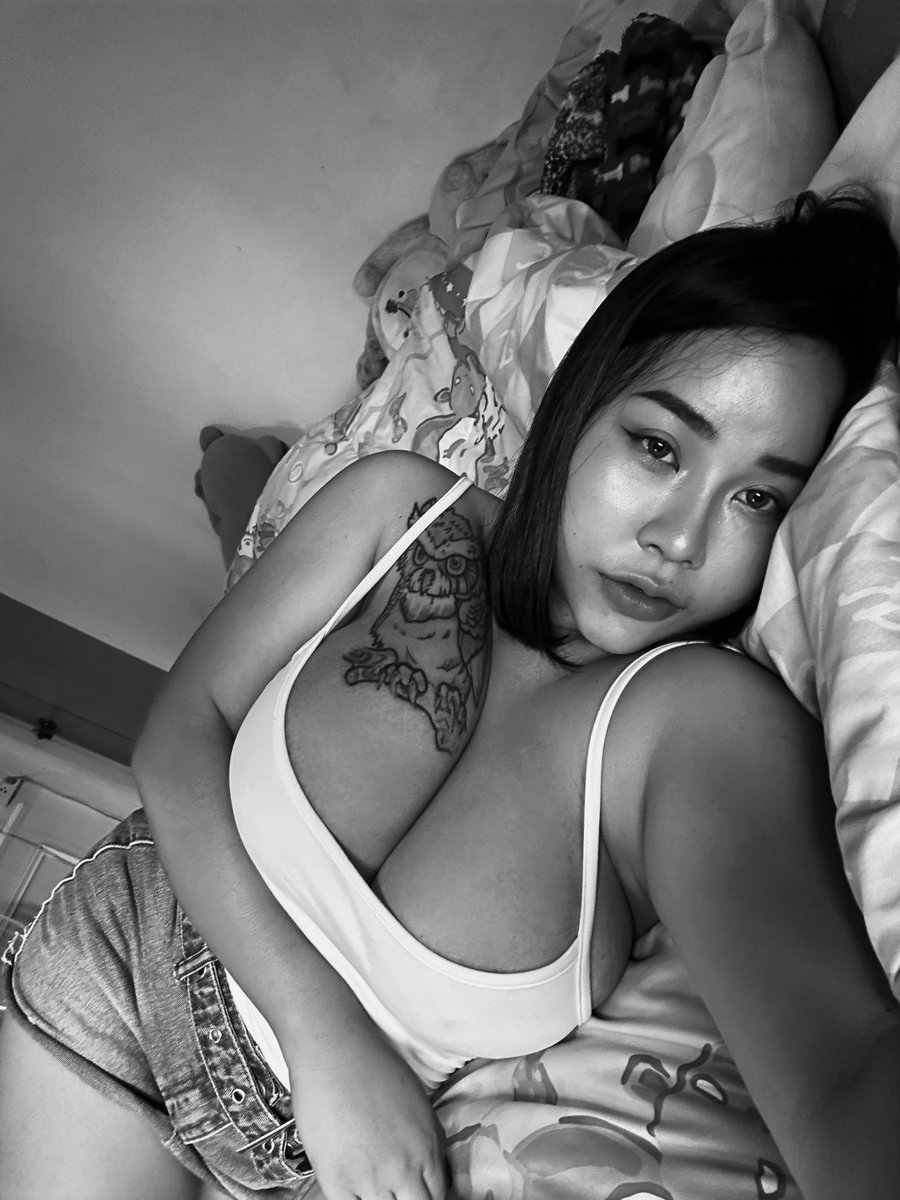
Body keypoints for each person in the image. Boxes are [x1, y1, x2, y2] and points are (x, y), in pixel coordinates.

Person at [2, 190, 900, 1200]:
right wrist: (326, 1043)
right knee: (237, 480)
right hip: (115, 975)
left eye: (758, 498)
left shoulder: (698, 727)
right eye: (658, 447)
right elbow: (176, 738)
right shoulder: (399, 505)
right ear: (582, 406)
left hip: (302, 1167)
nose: (680, 539)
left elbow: (839, 1072)